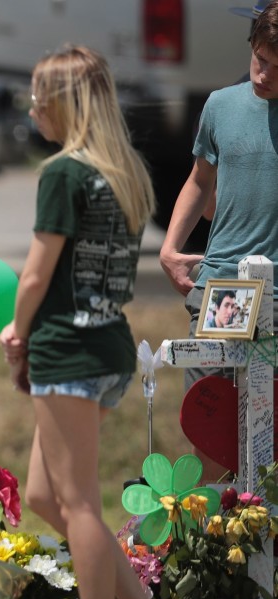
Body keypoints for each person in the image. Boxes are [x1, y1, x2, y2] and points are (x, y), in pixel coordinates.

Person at [0, 45, 176, 599]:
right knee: (46, 495)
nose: (30, 106)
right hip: (108, 344)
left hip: (67, 348)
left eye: (37, 96)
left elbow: (36, 273)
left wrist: (15, 334)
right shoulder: (124, 167)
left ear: (61, 104)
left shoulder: (64, 173)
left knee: (78, 506)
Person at [159, 0, 278, 483]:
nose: (264, 75)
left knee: (270, 435)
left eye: (277, 67)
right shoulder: (221, 105)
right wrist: (170, 248)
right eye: (260, 59)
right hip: (224, 288)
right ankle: (208, 550)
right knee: (211, 428)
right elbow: (199, 181)